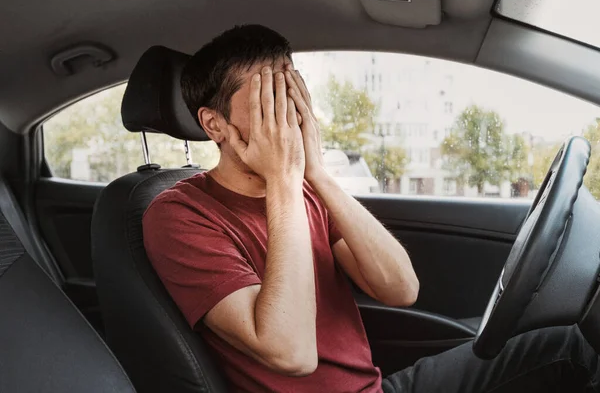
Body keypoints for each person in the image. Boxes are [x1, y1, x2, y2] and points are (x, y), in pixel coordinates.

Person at [142, 25, 600, 393]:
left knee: (569, 344)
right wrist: (285, 178)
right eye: (270, 100)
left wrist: (317, 175)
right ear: (213, 124)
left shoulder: (306, 192)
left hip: (379, 386)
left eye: (294, 92)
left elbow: (401, 288)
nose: (294, 114)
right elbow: (291, 353)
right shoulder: (179, 215)